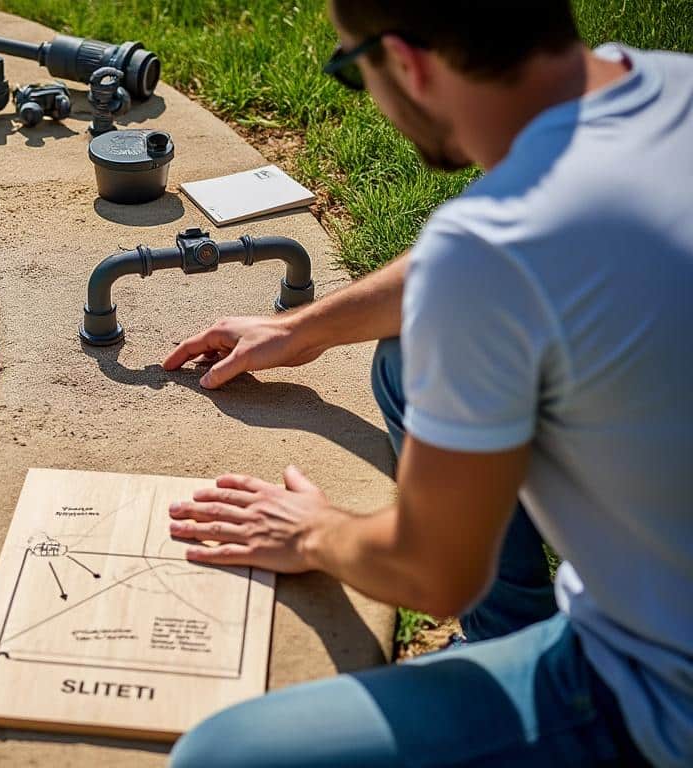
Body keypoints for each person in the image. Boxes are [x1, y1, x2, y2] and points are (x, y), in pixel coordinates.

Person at [163, 1, 692, 766]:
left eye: (353, 71)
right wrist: (300, 331)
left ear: (406, 63)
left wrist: (309, 530)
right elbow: (511, 258)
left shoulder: (488, 252)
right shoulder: (665, 87)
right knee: (407, 358)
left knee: (221, 756)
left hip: (661, 695)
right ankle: (503, 640)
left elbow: (432, 572)